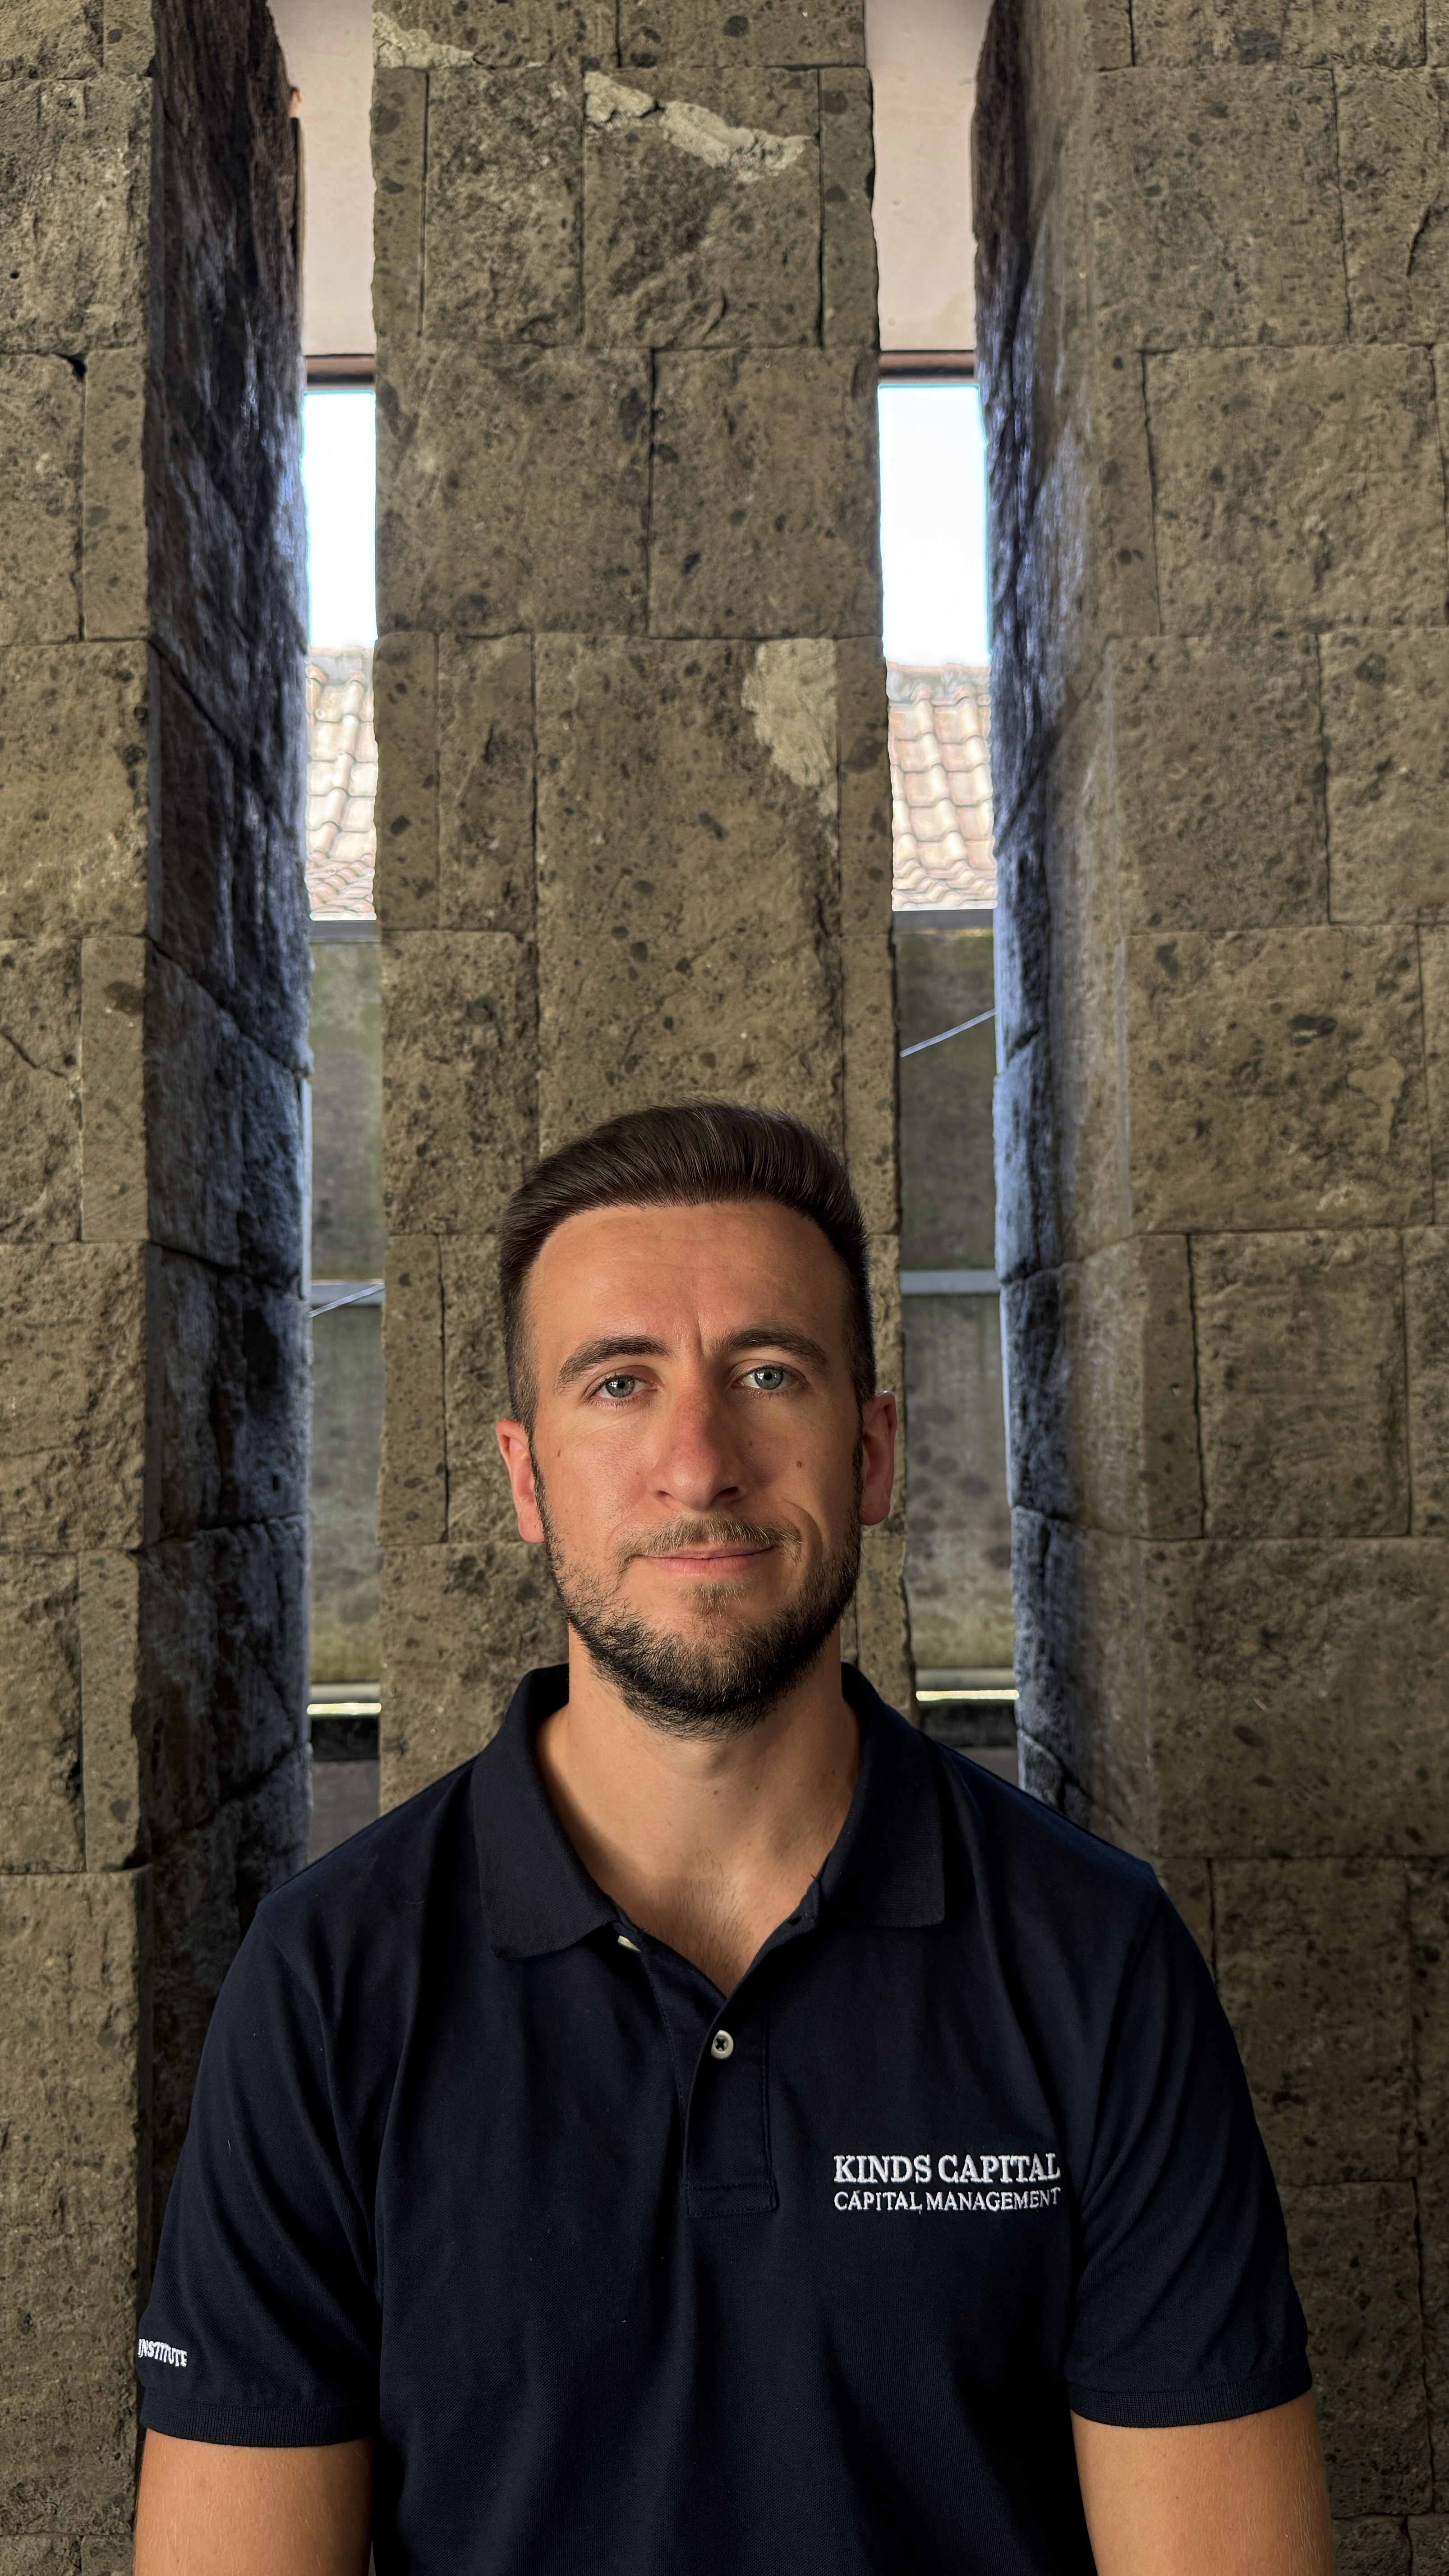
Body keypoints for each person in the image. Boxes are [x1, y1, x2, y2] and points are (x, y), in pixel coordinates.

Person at [134, 1102, 1334, 2576]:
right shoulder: (326, 1987)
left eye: (768, 1373)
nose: (698, 1464)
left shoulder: (1097, 1962)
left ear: (873, 1452)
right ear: (525, 1478)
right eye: (619, 1383)